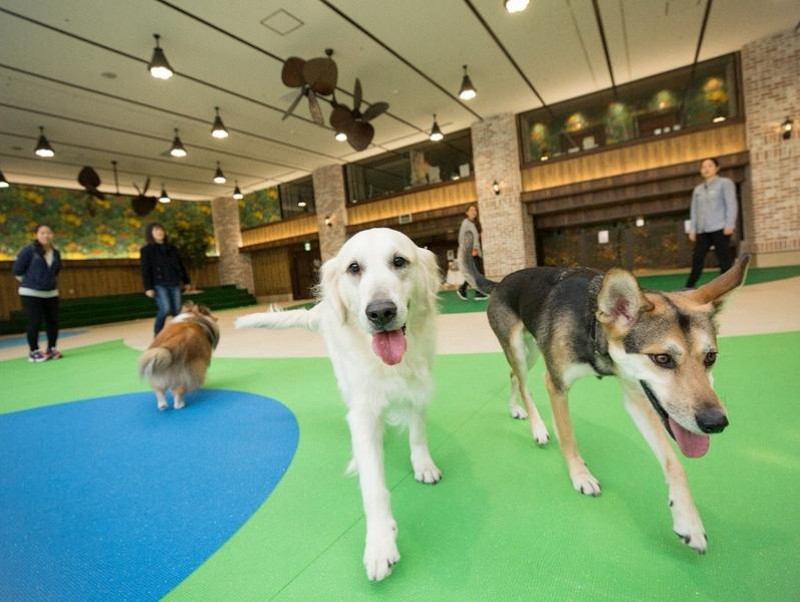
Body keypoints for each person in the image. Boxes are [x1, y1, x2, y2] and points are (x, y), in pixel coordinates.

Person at [684, 157, 738, 289]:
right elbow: (694, 211)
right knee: (697, 257)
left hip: (720, 227)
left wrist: (730, 224)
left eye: (709, 166)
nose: (706, 169)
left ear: (717, 168)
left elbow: (731, 204)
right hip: (702, 230)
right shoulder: (698, 189)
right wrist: (692, 229)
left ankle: (727, 285)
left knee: (723, 257)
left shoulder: (725, 183)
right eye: (703, 167)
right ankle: (690, 285)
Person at [12, 224, 63, 362]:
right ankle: (34, 351)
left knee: (53, 322)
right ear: (36, 235)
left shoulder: (56, 253)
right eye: (42, 233)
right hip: (30, 293)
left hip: (51, 293)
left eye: (49, 233)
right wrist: (31, 281)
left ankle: (51, 348)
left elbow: (55, 272)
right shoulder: (28, 251)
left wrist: (48, 282)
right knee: (34, 321)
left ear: (52, 235)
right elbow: (17, 270)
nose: (46, 235)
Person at [140, 223, 191, 335]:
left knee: (176, 310)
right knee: (165, 308)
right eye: (156, 230)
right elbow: (145, 270)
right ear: (150, 233)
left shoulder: (172, 248)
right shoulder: (146, 250)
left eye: (161, 229)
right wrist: (148, 287)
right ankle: (158, 334)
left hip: (174, 282)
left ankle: (179, 333)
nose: (159, 232)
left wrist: (186, 281)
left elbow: (180, 265)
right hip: (159, 284)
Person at [457, 203, 489, 301]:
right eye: (471, 210)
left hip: (476, 251)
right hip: (470, 251)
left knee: (474, 272)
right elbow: (461, 238)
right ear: (467, 213)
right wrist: (470, 250)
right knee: (476, 272)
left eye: (475, 210)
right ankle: (478, 293)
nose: (473, 212)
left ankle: (462, 289)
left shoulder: (475, 223)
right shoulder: (465, 223)